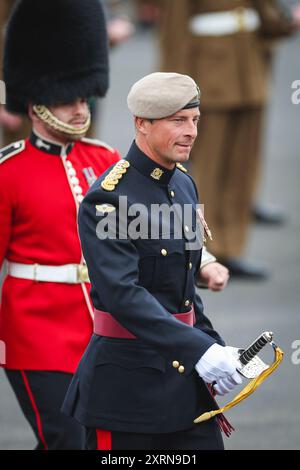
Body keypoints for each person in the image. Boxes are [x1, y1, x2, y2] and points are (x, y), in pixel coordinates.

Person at [62, 72, 242, 451]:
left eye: (195, 119)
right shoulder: (110, 199)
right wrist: (199, 350)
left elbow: (185, 289)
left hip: (185, 388)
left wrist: (215, 346)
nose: (191, 131)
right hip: (127, 393)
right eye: (178, 120)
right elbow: (121, 294)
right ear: (141, 123)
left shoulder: (184, 184)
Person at [0, 0, 120, 450]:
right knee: (66, 439)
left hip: (102, 329)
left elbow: (143, 231)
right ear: (35, 104)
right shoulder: (8, 172)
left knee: (101, 443)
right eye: (65, 99)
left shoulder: (105, 160)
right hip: (36, 336)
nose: (77, 108)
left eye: (81, 97)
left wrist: (201, 258)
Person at [153, 0, 297, 279]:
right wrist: (173, 94)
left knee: (242, 171)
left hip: (249, 72)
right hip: (209, 77)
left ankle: (231, 249)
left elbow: (266, 15)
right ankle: (202, 254)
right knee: (209, 173)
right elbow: (175, 33)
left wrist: (284, 21)